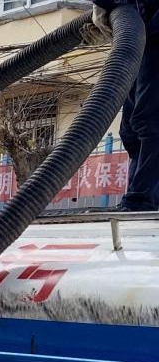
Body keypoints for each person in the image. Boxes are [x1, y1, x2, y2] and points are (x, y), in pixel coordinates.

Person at [92, 4, 159, 210]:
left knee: (152, 122)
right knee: (131, 131)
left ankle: (142, 199)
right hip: (142, 40)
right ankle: (140, 198)